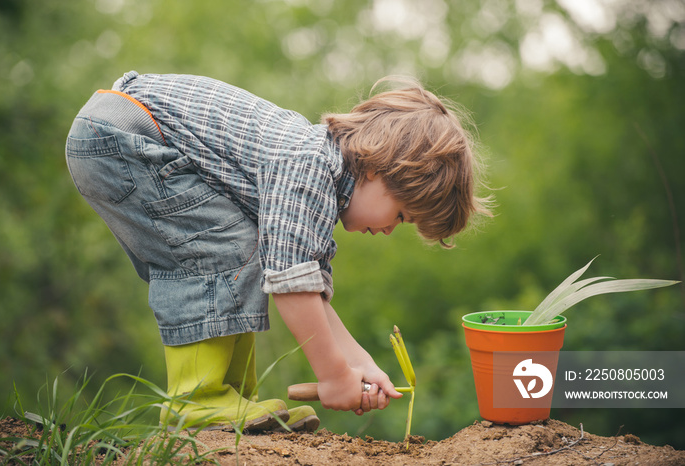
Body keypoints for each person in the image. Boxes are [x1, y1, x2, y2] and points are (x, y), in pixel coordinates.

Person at [65, 71, 491, 433]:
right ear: (379, 168)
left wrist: (357, 363)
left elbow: (309, 290)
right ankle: (198, 400)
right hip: (121, 135)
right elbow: (292, 289)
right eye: (401, 215)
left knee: (245, 246)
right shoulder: (308, 168)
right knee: (219, 247)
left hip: (123, 131)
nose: (390, 229)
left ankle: (231, 398)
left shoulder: (321, 178)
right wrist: (333, 376)